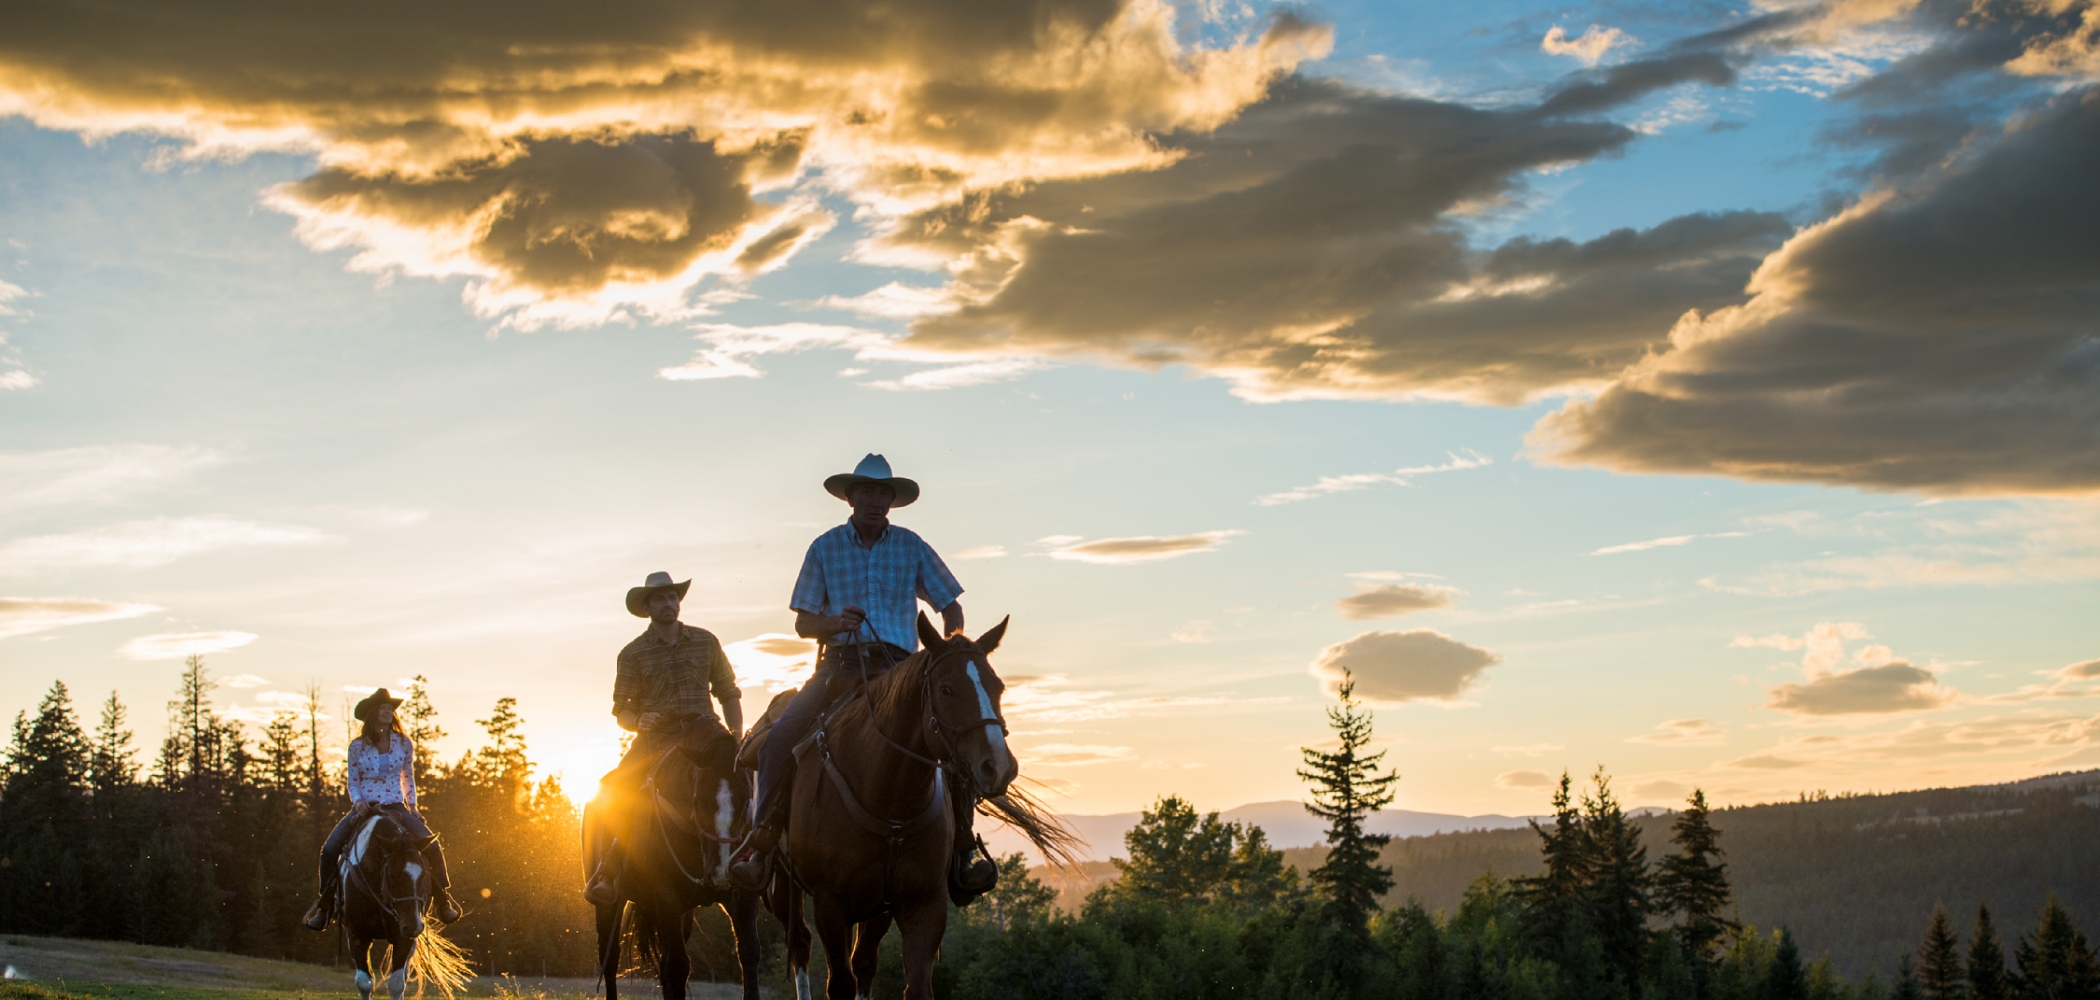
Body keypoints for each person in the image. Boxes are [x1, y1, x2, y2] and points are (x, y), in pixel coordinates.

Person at [728, 453, 997, 900]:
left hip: (899, 671)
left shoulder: (912, 546)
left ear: (892, 501)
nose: (875, 500)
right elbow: (803, 623)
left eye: (883, 493)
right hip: (839, 668)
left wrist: (951, 646)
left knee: (953, 741)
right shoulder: (823, 547)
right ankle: (762, 844)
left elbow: (950, 604)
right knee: (779, 740)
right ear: (850, 497)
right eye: (867, 492)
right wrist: (834, 623)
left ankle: (962, 850)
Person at [582, 571, 744, 906]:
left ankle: (758, 859)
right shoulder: (633, 653)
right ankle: (608, 869)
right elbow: (621, 710)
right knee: (614, 788)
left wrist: (736, 735)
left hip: (707, 733)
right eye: (660, 598)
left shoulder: (706, 641)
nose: (668, 603)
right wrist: (639, 720)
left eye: (672, 597)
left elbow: (728, 693)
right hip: (655, 738)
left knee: (748, 780)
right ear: (647, 606)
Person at [303, 688, 459, 930]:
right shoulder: (357, 747)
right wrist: (358, 802)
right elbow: (353, 780)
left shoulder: (403, 743)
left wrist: (414, 807)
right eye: (383, 708)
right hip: (366, 808)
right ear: (372, 713)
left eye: (390, 708)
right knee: (330, 850)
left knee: (432, 846)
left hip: (396, 805)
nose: (388, 711)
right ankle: (325, 907)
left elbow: (408, 777)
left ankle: (442, 901)